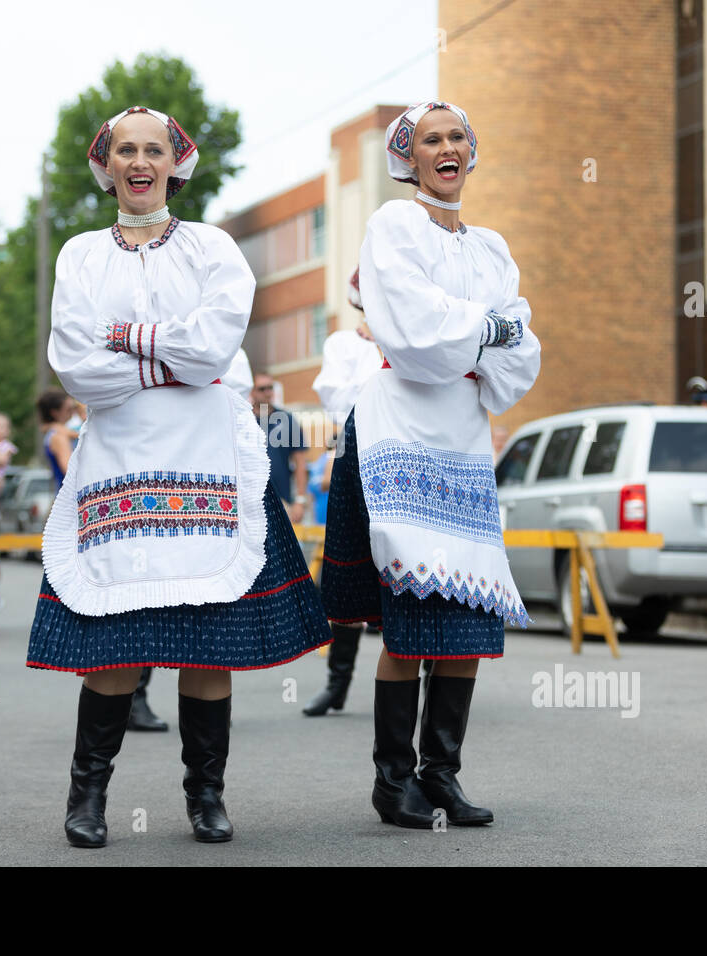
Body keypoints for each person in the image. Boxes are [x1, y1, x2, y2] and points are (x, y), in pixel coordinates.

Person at [27, 105, 330, 848]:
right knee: (115, 644)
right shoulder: (79, 256)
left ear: (174, 161)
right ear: (107, 164)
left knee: (207, 643)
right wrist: (175, 357)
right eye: (125, 150)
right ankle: (88, 796)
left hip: (206, 462)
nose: (139, 162)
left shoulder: (213, 248)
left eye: (152, 150)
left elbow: (214, 351)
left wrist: (127, 342)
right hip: (119, 465)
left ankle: (206, 795)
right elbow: (79, 369)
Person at [320, 101, 540, 828]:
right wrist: (489, 331)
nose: (446, 147)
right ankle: (393, 783)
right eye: (430, 139)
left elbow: (521, 356)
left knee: (469, 610)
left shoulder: (492, 247)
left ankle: (441, 773)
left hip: (464, 438)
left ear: (471, 153)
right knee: (411, 622)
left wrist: (470, 338)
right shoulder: (393, 227)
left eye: (457, 137)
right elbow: (414, 336)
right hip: (403, 430)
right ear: (408, 158)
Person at [303, 266, 383, 718]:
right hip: (358, 454)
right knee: (349, 569)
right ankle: (338, 683)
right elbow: (335, 399)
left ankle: (428, 673)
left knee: (417, 570)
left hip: (409, 455)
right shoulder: (344, 344)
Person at [250, 372, 311, 524]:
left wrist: (300, 500)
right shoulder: (244, 421)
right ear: (252, 391)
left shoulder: (288, 420)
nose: (267, 393)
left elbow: (300, 462)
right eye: (262, 389)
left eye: (270, 388)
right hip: (251, 504)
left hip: (284, 503)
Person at [37, 388, 77, 489]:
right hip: (68, 496)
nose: (72, 413)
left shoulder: (55, 432)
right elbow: (70, 472)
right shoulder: (58, 437)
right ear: (55, 412)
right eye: (68, 410)